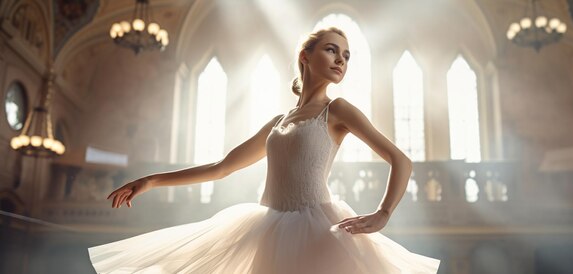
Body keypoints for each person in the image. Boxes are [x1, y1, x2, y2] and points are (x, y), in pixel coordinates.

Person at [89, 27, 440, 274]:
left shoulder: (338, 110)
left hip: (318, 228)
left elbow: (401, 160)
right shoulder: (278, 121)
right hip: (267, 226)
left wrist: (383, 213)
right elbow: (221, 167)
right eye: (331, 49)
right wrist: (151, 181)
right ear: (306, 55)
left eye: (346, 55)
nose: (340, 60)